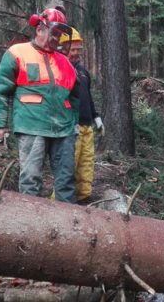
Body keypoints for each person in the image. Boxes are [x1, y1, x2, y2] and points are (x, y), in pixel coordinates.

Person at [0, 8, 78, 203]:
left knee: (66, 181)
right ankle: (30, 226)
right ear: (40, 29)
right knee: (30, 179)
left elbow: (76, 96)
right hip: (32, 125)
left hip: (63, 129)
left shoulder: (64, 62)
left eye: (60, 35)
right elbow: (0, 91)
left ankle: (68, 226)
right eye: (54, 33)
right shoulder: (17, 53)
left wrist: (75, 123)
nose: (57, 38)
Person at [55, 27, 104, 201]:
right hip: (70, 127)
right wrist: (69, 121)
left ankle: (83, 198)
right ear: (63, 48)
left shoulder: (83, 72)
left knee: (87, 164)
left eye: (78, 49)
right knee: (68, 166)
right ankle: (59, 203)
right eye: (73, 49)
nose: (76, 53)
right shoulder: (59, 69)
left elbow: (87, 96)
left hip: (87, 125)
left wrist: (96, 117)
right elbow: (58, 99)